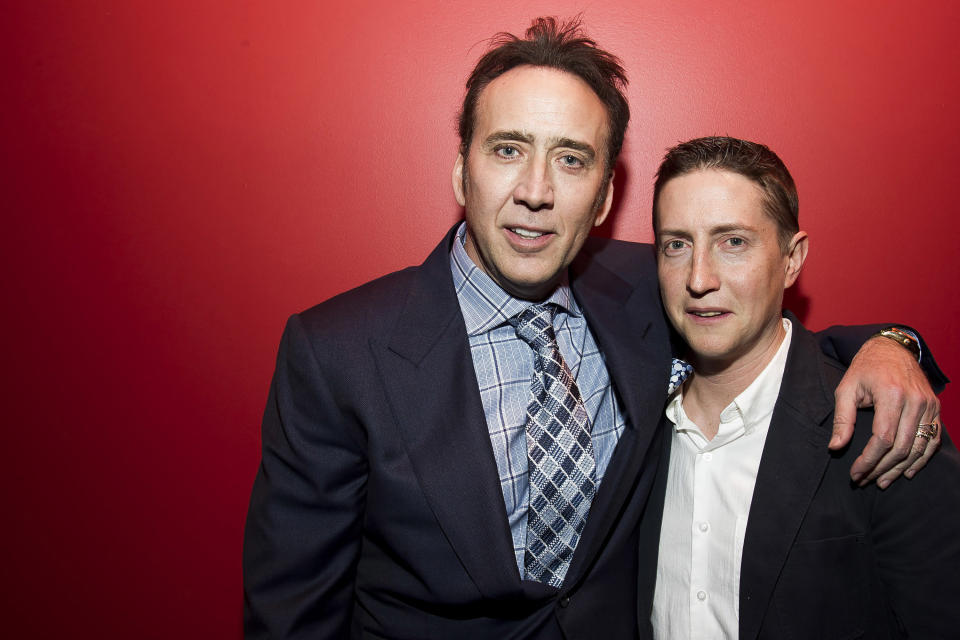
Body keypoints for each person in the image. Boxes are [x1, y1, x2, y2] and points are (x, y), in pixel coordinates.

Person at [243, 18, 945, 639]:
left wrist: (892, 346)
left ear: (607, 194)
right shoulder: (339, 351)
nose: (537, 191)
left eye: (571, 159)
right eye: (508, 149)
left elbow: (766, 323)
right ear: (462, 172)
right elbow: (294, 611)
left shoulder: (656, 284)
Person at [645, 136, 960, 638]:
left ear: (792, 258)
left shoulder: (885, 427)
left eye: (734, 242)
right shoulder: (631, 416)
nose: (699, 278)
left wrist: (894, 345)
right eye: (676, 245)